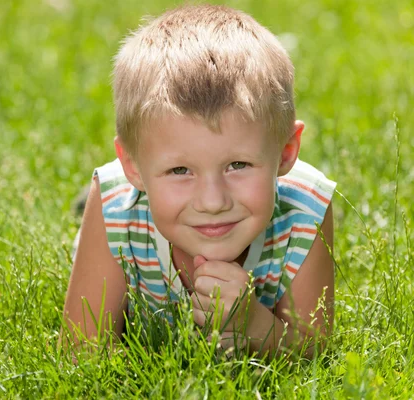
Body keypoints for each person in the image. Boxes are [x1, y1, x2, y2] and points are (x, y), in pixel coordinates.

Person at [61, 4, 336, 358]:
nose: (212, 201)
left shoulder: (306, 212)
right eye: (180, 171)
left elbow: (314, 351)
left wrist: (253, 324)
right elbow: (82, 348)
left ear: (286, 152)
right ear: (133, 166)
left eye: (237, 164)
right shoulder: (114, 203)